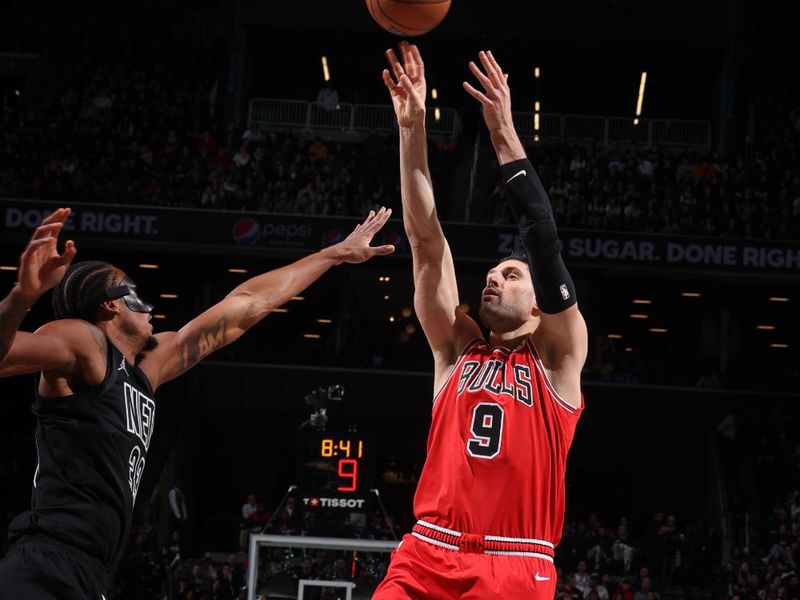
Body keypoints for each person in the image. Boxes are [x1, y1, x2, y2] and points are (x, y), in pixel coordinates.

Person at [0, 206, 394, 599]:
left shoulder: (147, 367)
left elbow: (245, 305)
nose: (147, 305)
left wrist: (334, 254)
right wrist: (22, 296)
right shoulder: (83, 341)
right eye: (133, 292)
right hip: (48, 561)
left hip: (90, 569)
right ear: (110, 305)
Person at [373, 43, 587, 599]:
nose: (493, 278)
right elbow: (425, 239)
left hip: (515, 562)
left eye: (511, 275)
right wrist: (412, 128)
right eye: (492, 273)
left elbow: (542, 240)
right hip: (427, 551)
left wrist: (503, 133)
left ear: (541, 305)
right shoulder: (456, 348)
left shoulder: (560, 360)